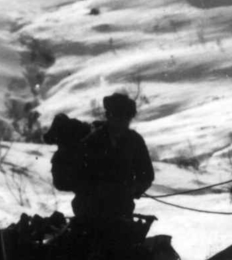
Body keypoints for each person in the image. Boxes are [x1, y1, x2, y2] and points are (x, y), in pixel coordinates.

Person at [49, 92, 154, 220]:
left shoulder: (135, 141)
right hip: (89, 211)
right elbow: (76, 177)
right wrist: (99, 190)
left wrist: (131, 190)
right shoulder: (91, 140)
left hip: (121, 210)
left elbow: (146, 176)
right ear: (108, 115)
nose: (121, 121)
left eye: (126, 117)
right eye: (117, 116)